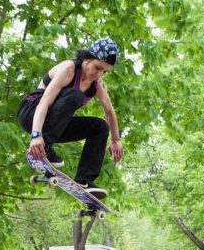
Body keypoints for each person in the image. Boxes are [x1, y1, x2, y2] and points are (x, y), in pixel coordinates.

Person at [17, 37, 124, 199]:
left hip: (55, 124)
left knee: (100, 126)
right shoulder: (69, 69)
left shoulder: (97, 84)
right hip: (31, 113)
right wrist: (36, 135)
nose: (99, 74)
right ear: (88, 57)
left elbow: (109, 111)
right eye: (98, 67)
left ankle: (84, 180)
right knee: (75, 95)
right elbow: (44, 102)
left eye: (104, 72)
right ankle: (45, 146)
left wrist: (116, 140)